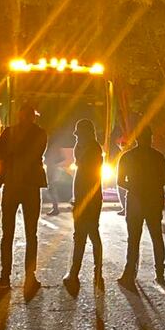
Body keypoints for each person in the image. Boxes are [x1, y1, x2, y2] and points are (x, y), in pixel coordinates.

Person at [0, 104, 49, 296]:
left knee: (7, 234)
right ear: (33, 117)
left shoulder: (10, 132)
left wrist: (10, 156)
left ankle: (5, 276)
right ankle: (29, 277)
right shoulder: (41, 133)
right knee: (31, 234)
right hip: (31, 186)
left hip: (13, 184)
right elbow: (36, 154)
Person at [116, 127, 165, 288]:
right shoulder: (158, 157)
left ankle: (129, 272)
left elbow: (120, 181)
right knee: (156, 237)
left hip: (135, 201)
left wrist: (134, 186)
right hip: (153, 201)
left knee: (133, 239)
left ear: (136, 139)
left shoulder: (127, 157)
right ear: (150, 138)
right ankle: (160, 273)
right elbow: (164, 181)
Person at [62, 119, 104, 295]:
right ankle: (93, 272)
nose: (77, 139)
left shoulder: (93, 150)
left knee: (83, 235)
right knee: (88, 234)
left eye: (79, 135)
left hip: (89, 199)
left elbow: (87, 176)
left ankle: (76, 273)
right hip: (83, 198)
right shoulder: (86, 149)